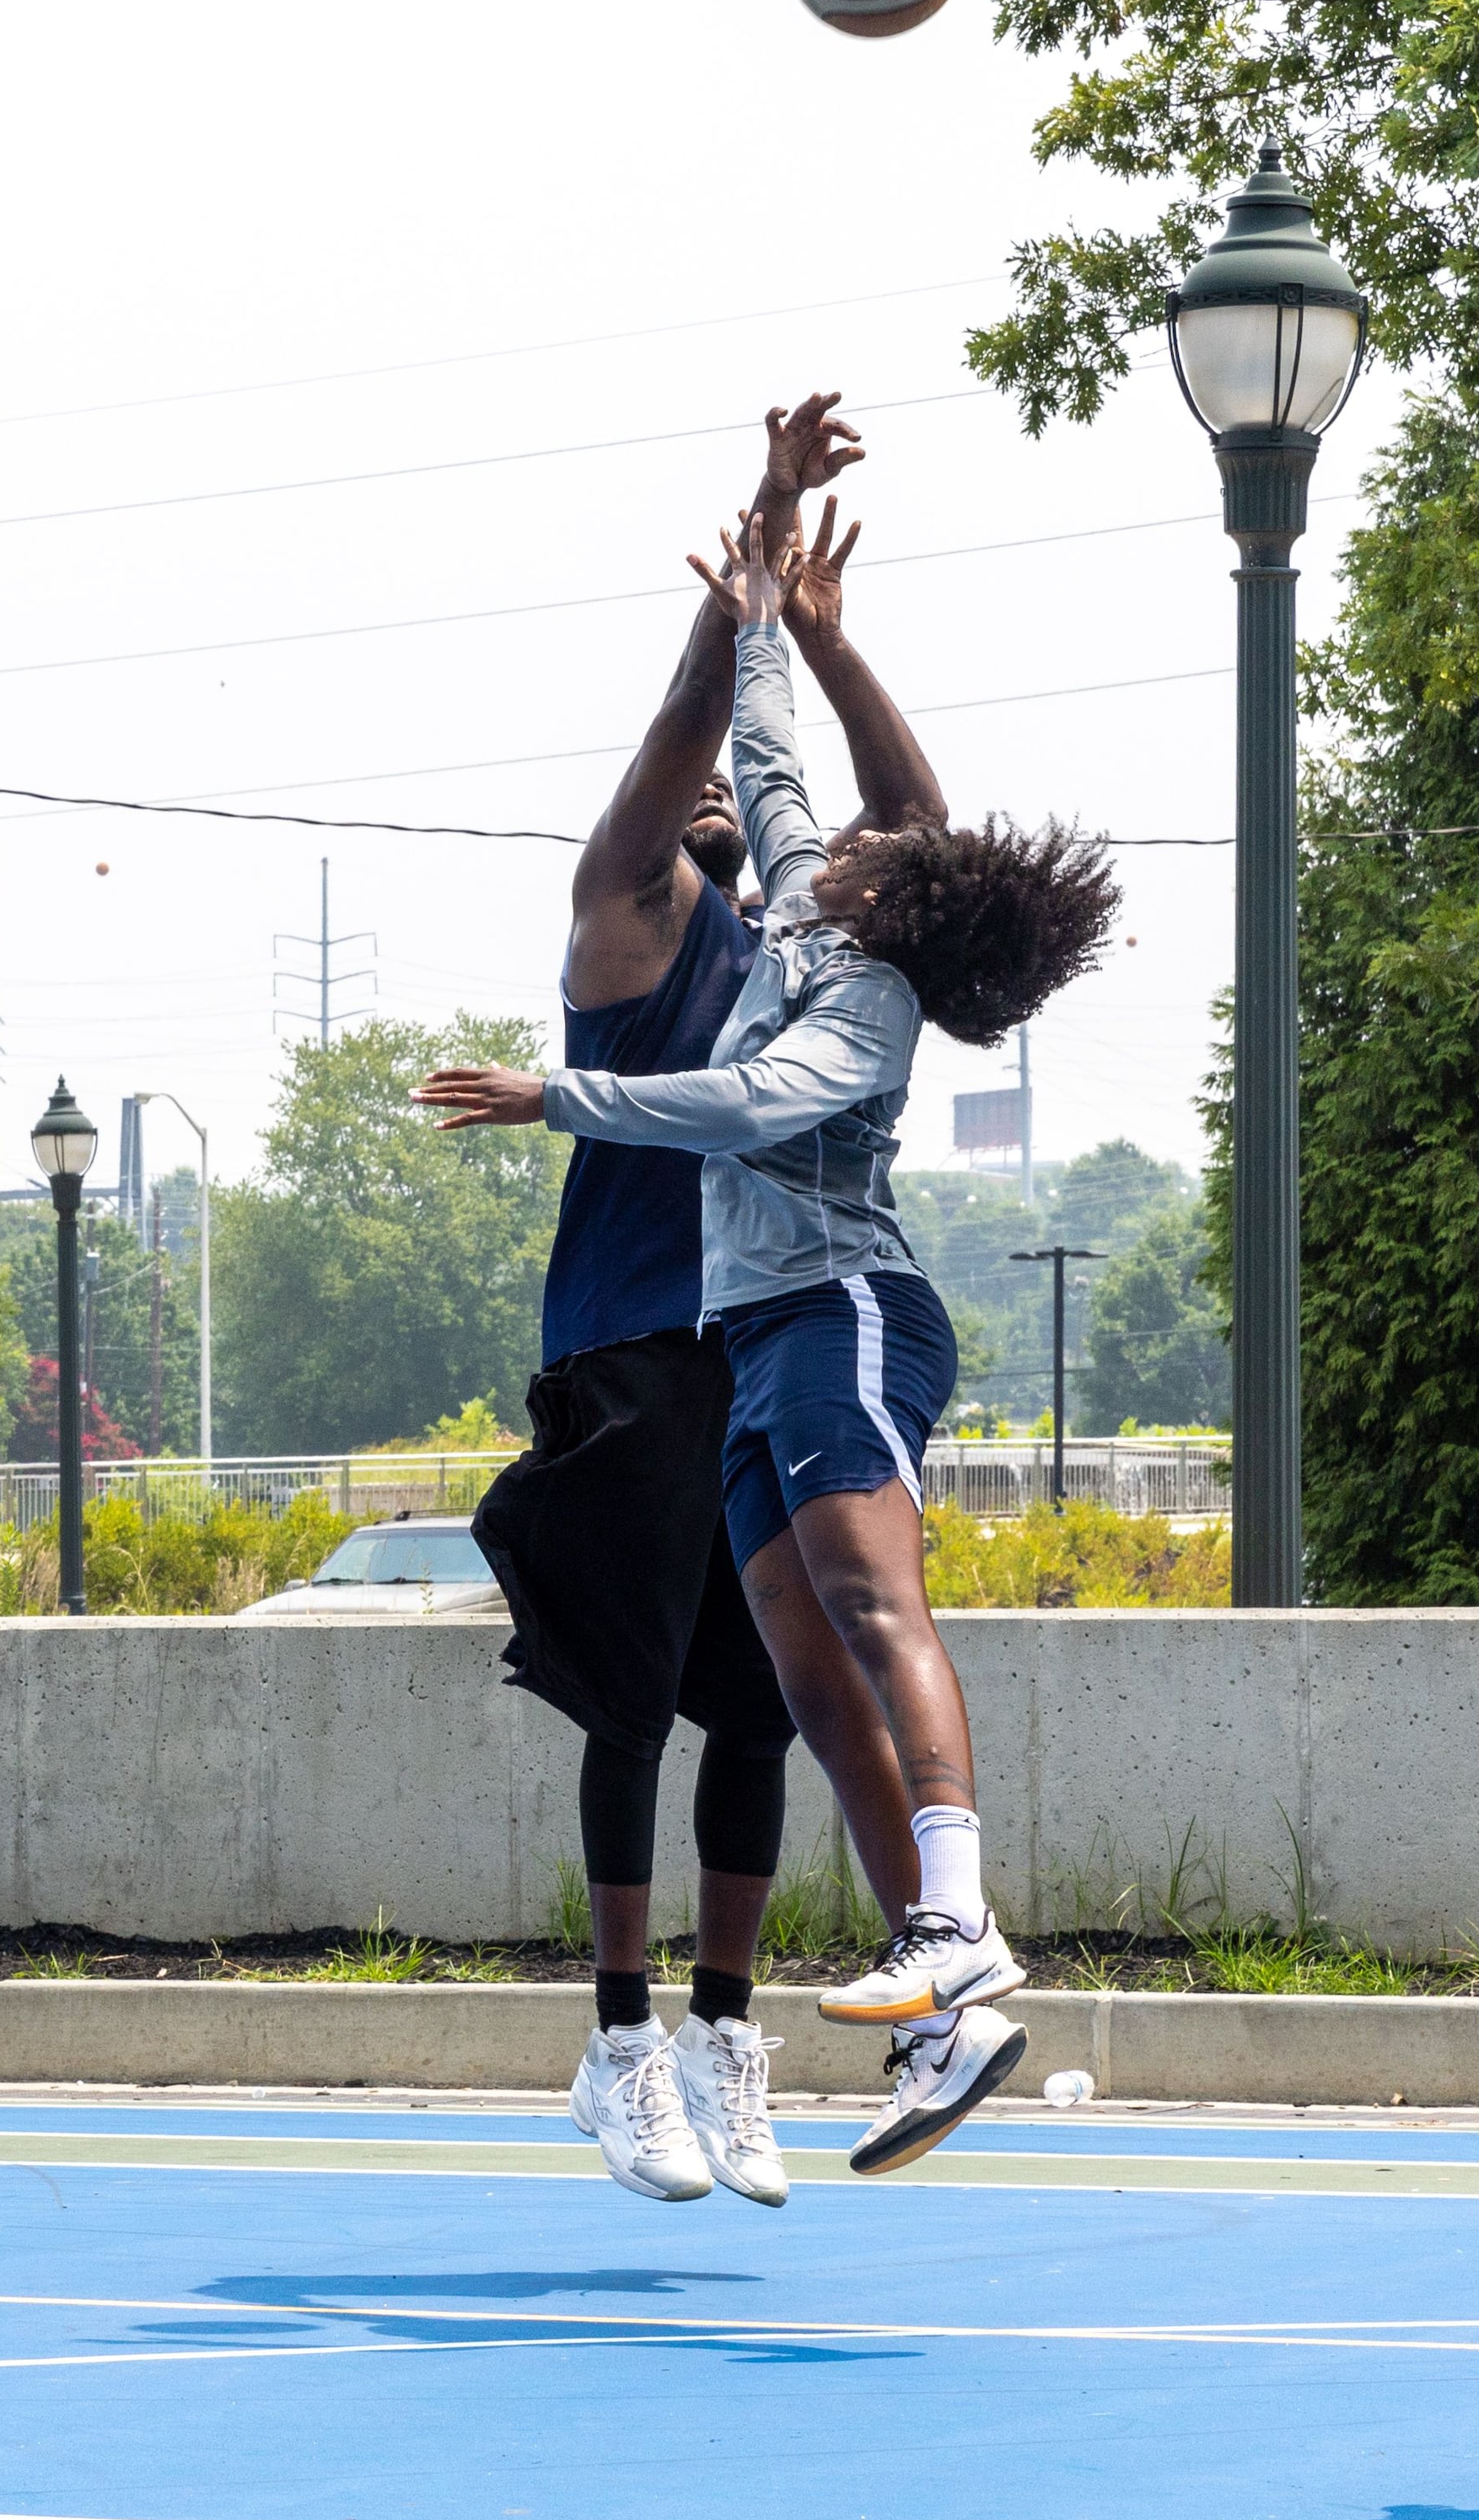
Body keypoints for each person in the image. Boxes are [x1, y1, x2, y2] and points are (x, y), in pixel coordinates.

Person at [424, 503, 1116, 2178]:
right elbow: (774, 754)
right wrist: (779, 611)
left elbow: (751, 1097)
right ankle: (934, 2004)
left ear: (902, 909)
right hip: (714, 1340)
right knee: (800, 1671)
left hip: (830, 1311)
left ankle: (942, 1919)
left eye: (885, 850)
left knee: (862, 1614)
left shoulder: (862, 991)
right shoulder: (795, 901)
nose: (853, 835)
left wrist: (548, 1094)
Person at [463, 394, 928, 2207]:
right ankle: (619, 2037)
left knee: (766, 1704)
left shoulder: (809, 949)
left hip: (761, 1343)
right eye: (715, 785)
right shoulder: (628, 926)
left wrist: (815, 635)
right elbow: (683, 731)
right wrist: (746, 573)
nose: (732, 787)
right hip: (632, 1354)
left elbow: (896, 813)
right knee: (632, 1706)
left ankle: (730, 2034)